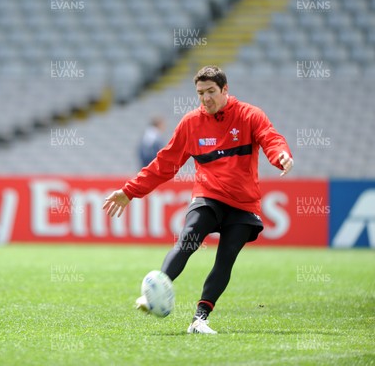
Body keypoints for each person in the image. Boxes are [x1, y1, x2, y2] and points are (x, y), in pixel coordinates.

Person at [103, 66, 293, 334]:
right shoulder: (191, 123)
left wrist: (281, 155)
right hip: (208, 197)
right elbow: (163, 165)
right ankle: (155, 291)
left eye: (211, 92)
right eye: (200, 93)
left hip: (243, 205)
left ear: (225, 90)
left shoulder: (250, 115)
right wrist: (129, 191)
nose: (205, 98)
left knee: (225, 259)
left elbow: (270, 138)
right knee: (188, 239)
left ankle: (200, 319)